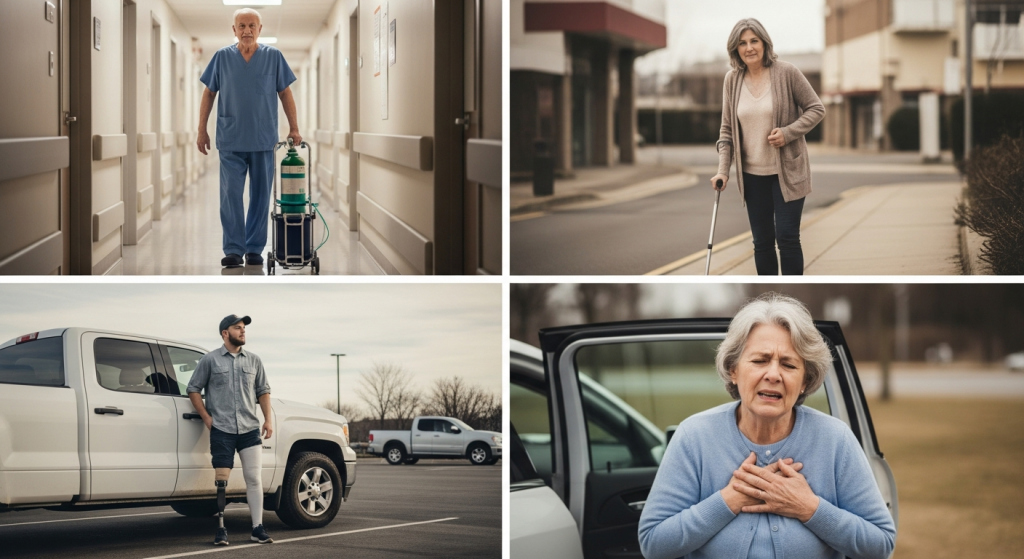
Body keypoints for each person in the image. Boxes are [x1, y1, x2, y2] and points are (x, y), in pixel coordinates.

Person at [638, 293, 896, 559]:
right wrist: (731, 498)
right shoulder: (694, 436)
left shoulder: (836, 440)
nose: (773, 375)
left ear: (805, 381)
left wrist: (809, 507)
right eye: (760, 360)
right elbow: (653, 543)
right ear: (733, 370)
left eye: (788, 364)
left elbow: (881, 544)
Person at [710, 19, 825, 275]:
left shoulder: (787, 72)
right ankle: (769, 291)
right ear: (735, 49)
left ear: (764, 43)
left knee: (787, 238)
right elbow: (726, 130)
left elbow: (816, 108)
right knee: (762, 243)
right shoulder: (732, 80)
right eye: (742, 43)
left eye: (754, 41)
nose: (749, 48)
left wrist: (788, 133)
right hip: (752, 176)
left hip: (788, 172)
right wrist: (723, 171)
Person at [196, 8, 302, 269]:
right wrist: (201, 129)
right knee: (230, 195)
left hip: (262, 138)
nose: (246, 31)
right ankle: (233, 249)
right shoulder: (221, 58)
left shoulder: (273, 57)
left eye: (252, 26)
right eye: (241, 26)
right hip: (231, 138)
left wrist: (294, 128)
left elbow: (285, 93)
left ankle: (254, 248)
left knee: (260, 195)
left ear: (260, 29)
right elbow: (209, 93)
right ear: (234, 30)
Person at [187, 314, 274, 546]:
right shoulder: (210, 360)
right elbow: (193, 389)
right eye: (238, 328)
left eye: (244, 328)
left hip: (249, 430)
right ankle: (221, 529)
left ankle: (257, 528)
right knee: (222, 480)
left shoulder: (254, 361)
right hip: (222, 429)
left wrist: (268, 420)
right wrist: (206, 417)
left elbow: (263, 391)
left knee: (254, 478)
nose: (243, 331)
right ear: (225, 333)